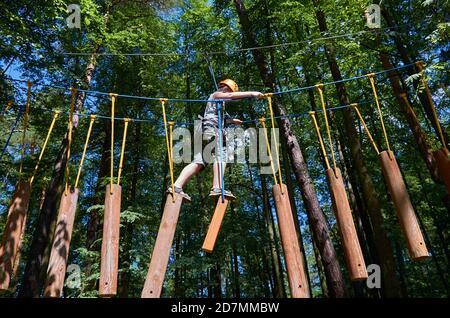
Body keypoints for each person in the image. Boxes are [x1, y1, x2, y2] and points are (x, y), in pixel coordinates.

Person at [168, 79, 263, 202]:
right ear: (224, 87)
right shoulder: (216, 95)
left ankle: (176, 186)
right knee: (222, 155)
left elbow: (220, 116)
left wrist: (232, 121)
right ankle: (217, 187)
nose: (229, 93)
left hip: (206, 131)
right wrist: (252, 93)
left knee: (200, 162)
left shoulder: (220, 104)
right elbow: (230, 96)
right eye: (229, 90)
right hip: (211, 129)